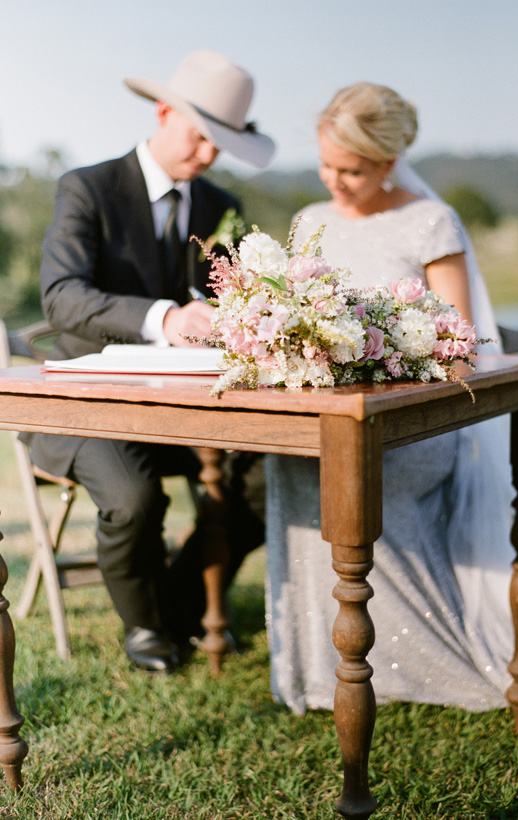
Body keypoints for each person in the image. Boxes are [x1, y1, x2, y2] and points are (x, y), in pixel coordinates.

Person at [265, 82, 518, 725]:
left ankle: (414, 661)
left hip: (415, 430)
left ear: (388, 163)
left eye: (352, 170)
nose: (334, 180)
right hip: (330, 418)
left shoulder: (430, 222)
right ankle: (315, 668)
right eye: (326, 164)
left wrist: (379, 352)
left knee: (350, 476)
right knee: (293, 462)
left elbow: (460, 352)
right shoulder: (309, 222)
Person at [27, 50, 275, 672]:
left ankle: (176, 600)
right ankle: (145, 626)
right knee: (137, 500)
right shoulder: (88, 187)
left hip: (191, 406)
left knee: (268, 482)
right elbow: (61, 298)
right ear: (164, 112)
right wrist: (165, 318)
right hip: (90, 403)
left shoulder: (221, 206)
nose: (211, 155)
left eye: (222, 143)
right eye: (201, 137)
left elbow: (238, 301)